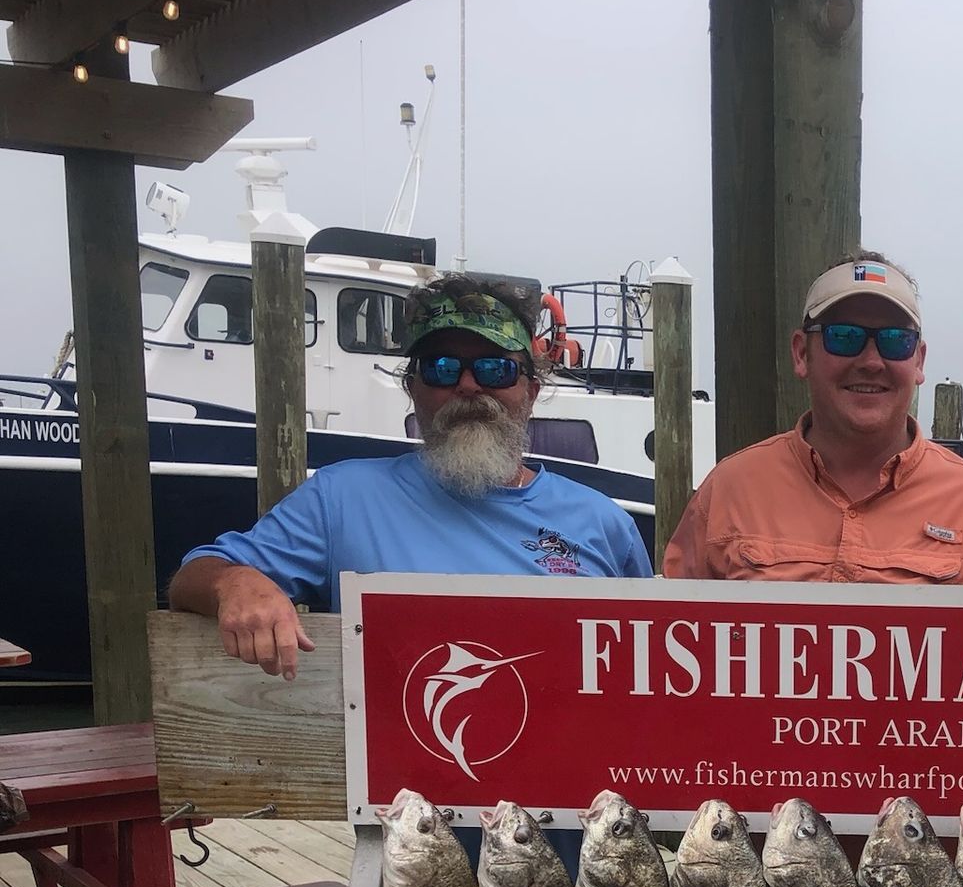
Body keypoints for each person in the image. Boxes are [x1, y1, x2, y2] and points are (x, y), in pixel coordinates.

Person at [169, 274, 652, 680]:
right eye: (441, 368)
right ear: (412, 388)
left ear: (532, 389)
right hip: (396, 792)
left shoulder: (605, 524)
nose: (467, 385)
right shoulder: (341, 498)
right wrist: (235, 584)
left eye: (495, 368)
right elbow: (195, 575)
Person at [663, 252, 963, 584]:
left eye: (895, 340)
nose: (871, 361)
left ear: (918, 361)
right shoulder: (729, 490)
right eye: (844, 337)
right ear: (801, 353)